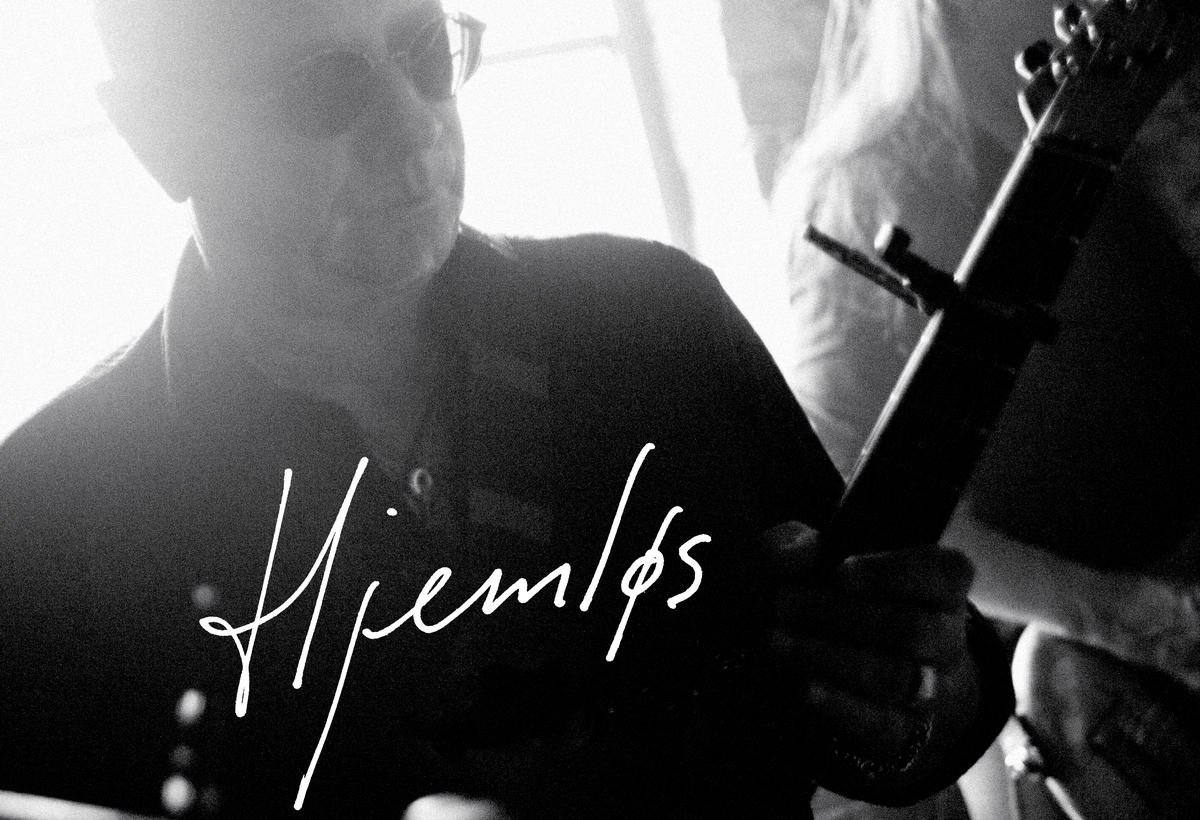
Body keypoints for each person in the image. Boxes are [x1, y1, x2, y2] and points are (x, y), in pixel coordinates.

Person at [0, 2, 1013, 818]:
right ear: (156, 134)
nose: (411, 123)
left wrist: (918, 690)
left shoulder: (658, 325)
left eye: (425, 50)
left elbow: (907, 717)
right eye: (324, 86)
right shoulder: (45, 522)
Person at [773, 0, 1200, 817]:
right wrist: (1112, 615)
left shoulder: (1144, 108)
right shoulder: (868, 183)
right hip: (1086, 671)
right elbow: (842, 487)